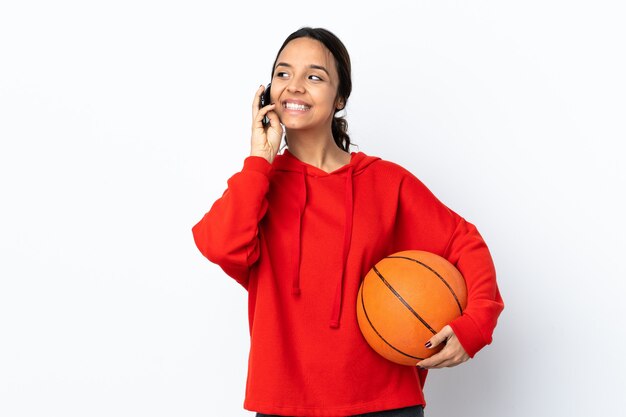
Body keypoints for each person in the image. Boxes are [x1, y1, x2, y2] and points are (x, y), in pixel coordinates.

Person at [192, 27, 504, 417]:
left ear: (340, 97)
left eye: (315, 76)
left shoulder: (386, 182)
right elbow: (220, 245)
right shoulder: (258, 186)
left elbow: (463, 241)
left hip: (385, 403)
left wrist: (474, 326)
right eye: (283, 74)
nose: (295, 87)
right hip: (284, 405)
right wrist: (259, 158)